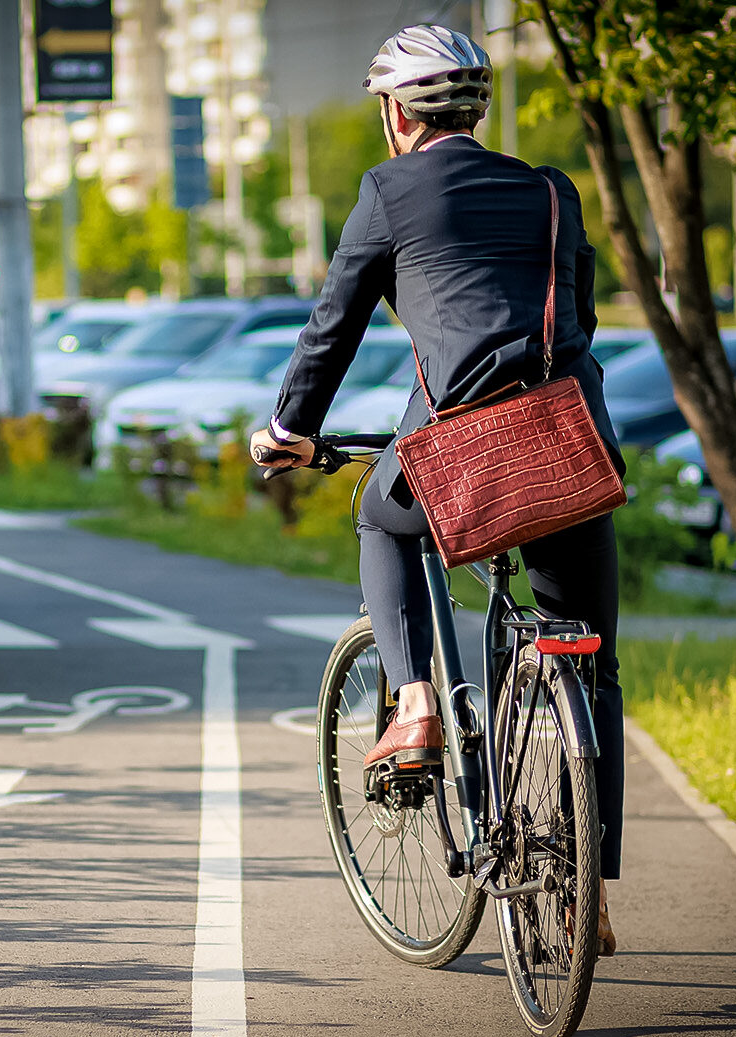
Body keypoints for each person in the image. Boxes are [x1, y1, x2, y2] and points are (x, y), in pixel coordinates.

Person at [249, 24, 624, 954]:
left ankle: (415, 698)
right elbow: (577, 314)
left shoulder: (388, 192)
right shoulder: (553, 190)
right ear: (474, 110)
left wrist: (290, 430)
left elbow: (332, 326)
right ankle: (586, 894)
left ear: (396, 113)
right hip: (570, 445)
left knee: (382, 514)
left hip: (460, 446)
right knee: (589, 660)